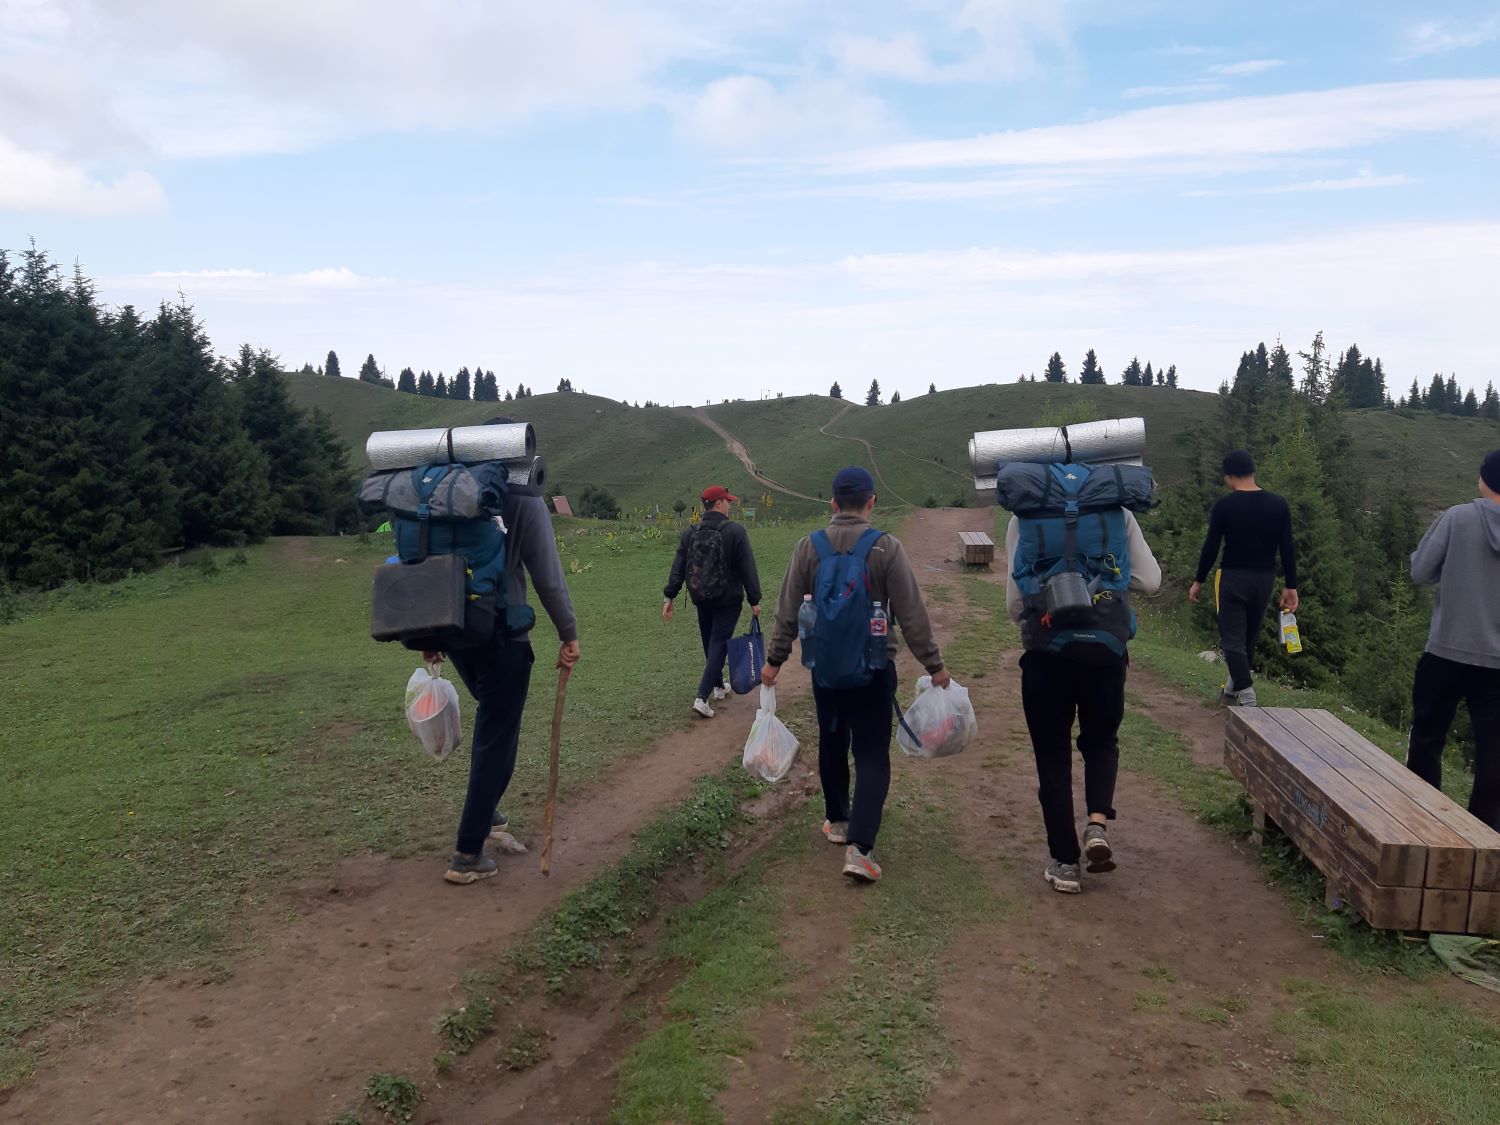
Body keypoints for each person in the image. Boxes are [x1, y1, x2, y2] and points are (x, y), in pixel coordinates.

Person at [762, 467, 948, 884]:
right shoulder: (886, 548)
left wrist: (774, 661)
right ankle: (860, 849)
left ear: (832, 504)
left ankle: (838, 821)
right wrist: (934, 666)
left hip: (825, 672)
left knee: (832, 742)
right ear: (871, 502)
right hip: (875, 671)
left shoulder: (807, 549)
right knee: (871, 755)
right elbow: (912, 615)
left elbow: (787, 611)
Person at [430, 420, 581, 885]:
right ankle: (467, 852)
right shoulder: (523, 497)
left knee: (495, 721)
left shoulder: (450, 488)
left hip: (454, 630)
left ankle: (488, 810)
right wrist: (568, 632)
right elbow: (546, 574)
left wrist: (430, 634)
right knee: (499, 734)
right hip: (502, 633)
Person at [1004, 486, 1161, 895]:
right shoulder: (1119, 514)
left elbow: (1012, 602)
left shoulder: (1024, 517)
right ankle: (1096, 823)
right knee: (1101, 741)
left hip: (1046, 656)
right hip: (1106, 654)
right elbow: (1151, 579)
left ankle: (1065, 863)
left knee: (1052, 756)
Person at [1405, 450, 1500, 829]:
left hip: (1446, 650)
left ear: (1483, 479)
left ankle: (1420, 823)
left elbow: (1420, 571)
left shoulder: (1457, 518)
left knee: (1428, 738)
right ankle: (1487, 836)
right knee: (1494, 753)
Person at [1189, 449, 1298, 707]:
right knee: (1248, 636)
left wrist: (1199, 581)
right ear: (1252, 471)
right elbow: (1288, 548)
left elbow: (1211, 546)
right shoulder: (1278, 504)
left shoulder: (1225, 505)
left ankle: (1247, 697)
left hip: (1233, 579)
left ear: (1229, 476)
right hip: (1264, 581)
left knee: (1232, 639)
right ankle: (1231, 689)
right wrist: (1291, 585)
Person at [662, 485, 762, 717]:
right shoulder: (735, 532)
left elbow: (678, 567)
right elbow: (748, 567)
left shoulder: (690, 533)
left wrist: (670, 596)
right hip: (728, 600)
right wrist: (754, 599)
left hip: (701, 597)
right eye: (727, 502)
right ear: (718, 503)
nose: (730, 505)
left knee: (710, 643)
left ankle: (718, 687)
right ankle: (701, 697)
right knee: (718, 643)